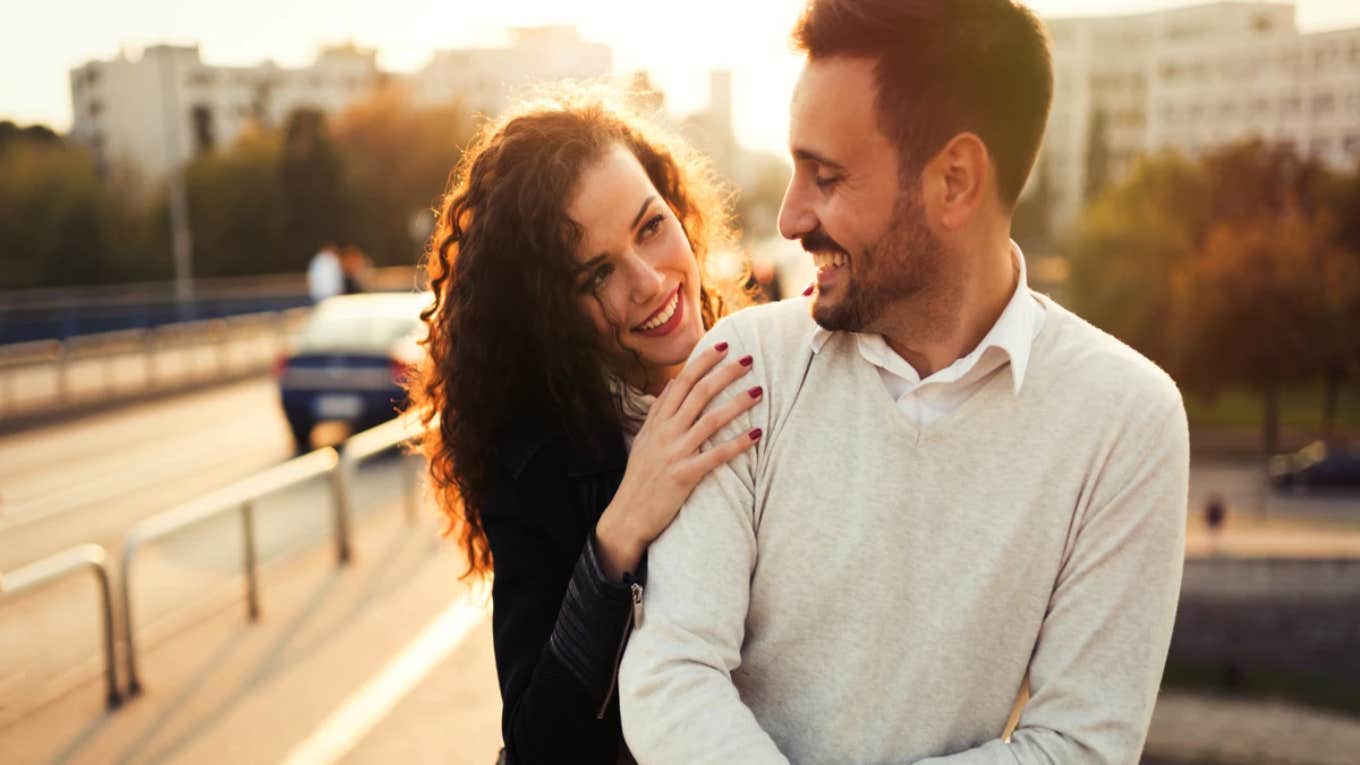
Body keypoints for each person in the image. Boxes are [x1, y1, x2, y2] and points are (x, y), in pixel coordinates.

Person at [619, 1, 1190, 763]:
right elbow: (671, 674)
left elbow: (1079, 746)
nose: (789, 218)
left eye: (825, 176)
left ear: (954, 181)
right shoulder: (746, 364)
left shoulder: (1126, 420)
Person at [406, 91, 757, 763]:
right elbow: (537, 742)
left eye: (650, 226)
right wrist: (618, 532)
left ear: (677, 210)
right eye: (599, 273)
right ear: (550, 310)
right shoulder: (536, 462)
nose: (649, 282)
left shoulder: (773, 367)